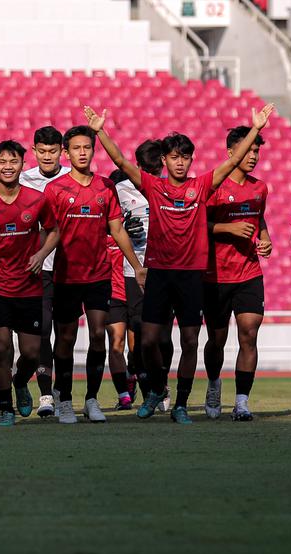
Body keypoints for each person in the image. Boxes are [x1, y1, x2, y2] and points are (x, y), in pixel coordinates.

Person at [85, 101, 275, 424]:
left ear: (191, 160)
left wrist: (255, 128)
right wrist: (100, 131)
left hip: (191, 277)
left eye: (185, 157)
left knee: (189, 340)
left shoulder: (200, 186)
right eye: (174, 157)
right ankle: (157, 389)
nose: (180, 162)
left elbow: (231, 165)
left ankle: (182, 403)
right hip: (159, 274)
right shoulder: (153, 186)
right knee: (147, 341)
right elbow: (118, 160)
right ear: (164, 160)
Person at [42, 125, 140, 424]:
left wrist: (136, 266)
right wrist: (36, 257)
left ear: (93, 150)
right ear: (66, 152)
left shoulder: (105, 187)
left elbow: (117, 229)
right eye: (76, 148)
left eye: (86, 147)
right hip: (66, 276)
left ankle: (92, 400)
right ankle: (64, 399)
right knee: (66, 339)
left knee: (100, 335)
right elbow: (49, 233)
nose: (82, 152)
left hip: (99, 275)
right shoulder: (55, 190)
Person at [0, 139, 58, 427]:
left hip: (28, 286)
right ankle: (5, 407)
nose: (7, 167)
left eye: (13, 161)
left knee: (30, 352)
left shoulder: (36, 199)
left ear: (21, 165)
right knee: (2, 347)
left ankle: (19, 382)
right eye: (1, 162)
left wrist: (41, 254)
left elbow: (54, 231)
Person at [203, 126, 271, 422]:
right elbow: (196, 226)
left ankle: (242, 400)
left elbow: (260, 219)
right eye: (248, 150)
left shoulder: (260, 188)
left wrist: (265, 238)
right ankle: (214, 382)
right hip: (215, 275)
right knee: (216, 340)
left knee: (249, 334)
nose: (253, 156)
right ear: (231, 153)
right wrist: (227, 228)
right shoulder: (213, 186)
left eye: (257, 151)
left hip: (249, 272)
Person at [112, 139, 171, 410]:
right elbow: (107, 226)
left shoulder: (173, 187)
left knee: (163, 336)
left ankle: (161, 383)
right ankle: (151, 389)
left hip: (169, 269)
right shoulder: (120, 190)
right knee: (139, 332)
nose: (151, 173)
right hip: (134, 271)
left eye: (155, 168)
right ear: (138, 166)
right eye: (146, 168)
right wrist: (124, 227)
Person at [18, 125, 71, 417]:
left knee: (66, 333)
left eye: (53, 151)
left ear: (61, 151)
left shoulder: (72, 177)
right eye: (42, 151)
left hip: (70, 268)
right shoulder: (23, 181)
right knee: (42, 332)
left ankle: (64, 390)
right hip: (38, 268)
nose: (48, 156)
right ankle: (46, 394)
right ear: (34, 151)